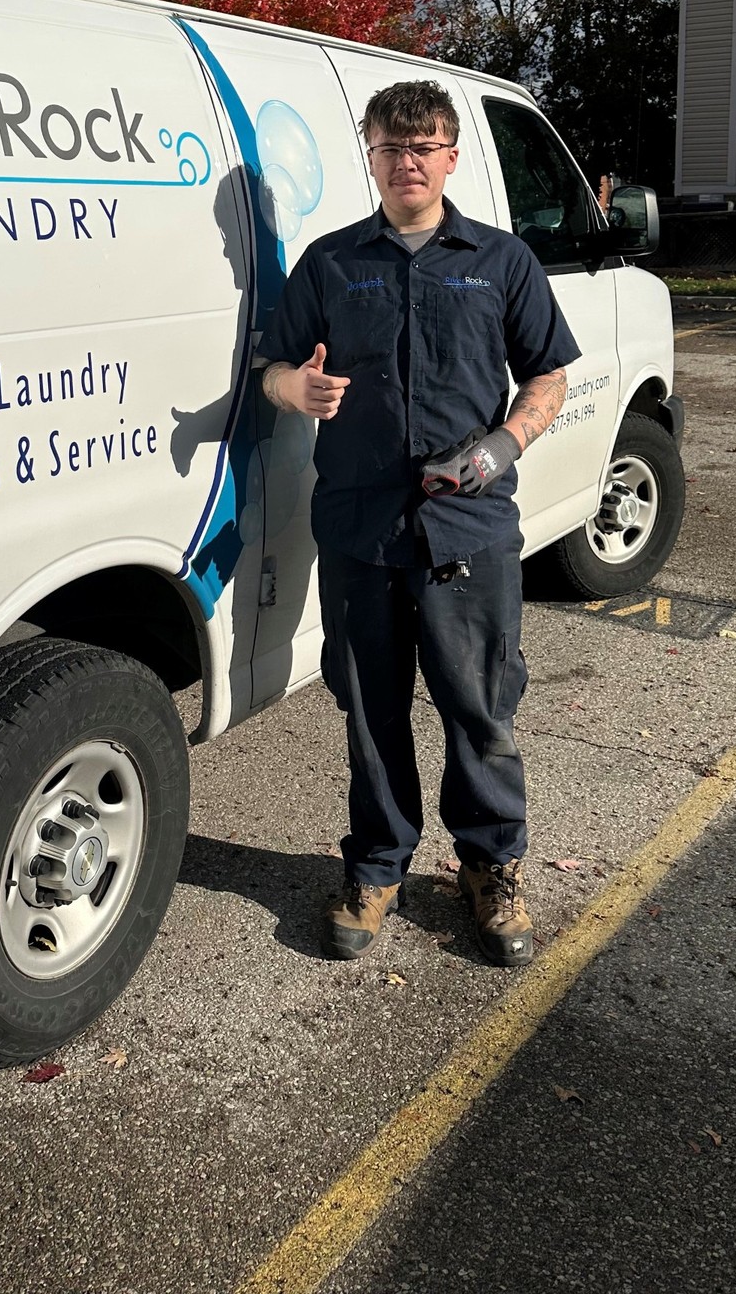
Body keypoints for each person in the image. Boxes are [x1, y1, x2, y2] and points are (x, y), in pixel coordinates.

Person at [258, 80, 580, 964]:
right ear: (370, 156)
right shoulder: (329, 263)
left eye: (424, 146)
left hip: (470, 529)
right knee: (369, 707)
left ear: (451, 157)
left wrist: (503, 448)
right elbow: (271, 369)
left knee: (480, 707)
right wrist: (298, 388)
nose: (407, 163)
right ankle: (377, 865)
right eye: (390, 148)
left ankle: (492, 865)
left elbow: (549, 377)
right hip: (360, 528)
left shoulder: (503, 261)